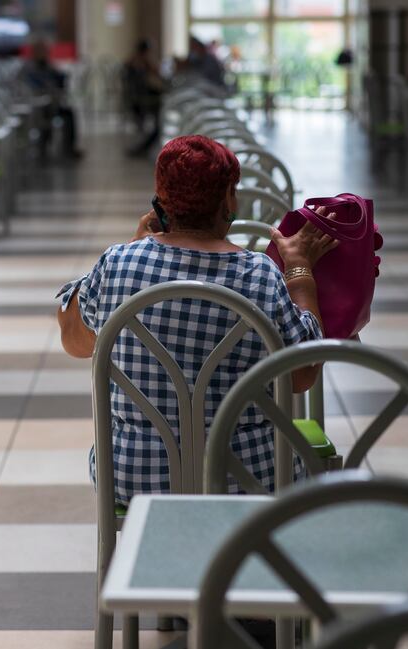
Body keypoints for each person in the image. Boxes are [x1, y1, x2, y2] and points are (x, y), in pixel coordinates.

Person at [56, 135, 338, 507]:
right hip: (248, 476)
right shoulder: (259, 274)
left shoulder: (118, 263)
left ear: (161, 198)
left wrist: (131, 248)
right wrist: (300, 271)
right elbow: (302, 376)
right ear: (226, 200)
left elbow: (74, 342)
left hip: (132, 477)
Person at [22, 41, 82, 159]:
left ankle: (69, 148)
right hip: (38, 105)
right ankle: (43, 147)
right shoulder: (29, 68)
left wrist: (62, 76)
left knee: (69, 113)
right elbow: (32, 87)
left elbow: (59, 78)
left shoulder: (47, 66)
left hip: (52, 103)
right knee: (44, 117)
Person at [123, 39, 164, 156]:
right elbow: (157, 72)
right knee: (164, 104)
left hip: (136, 97)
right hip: (141, 99)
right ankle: (148, 143)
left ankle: (146, 144)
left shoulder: (131, 60)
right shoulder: (142, 61)